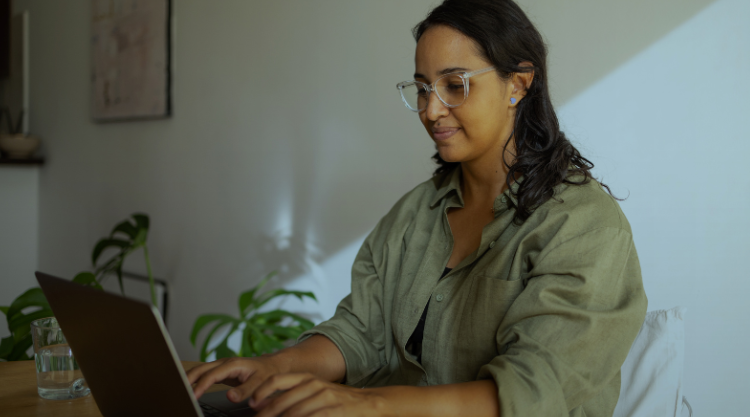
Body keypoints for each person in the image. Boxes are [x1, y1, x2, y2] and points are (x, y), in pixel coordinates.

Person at [187, 0, 648, 415]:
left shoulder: (586, 227)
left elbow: (530, 391)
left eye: (455, 84)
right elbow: (359, 332)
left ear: (519, 84)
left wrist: (370, 404)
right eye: (424, 87)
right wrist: (272, 368)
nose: (431, 109)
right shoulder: (415, 213)